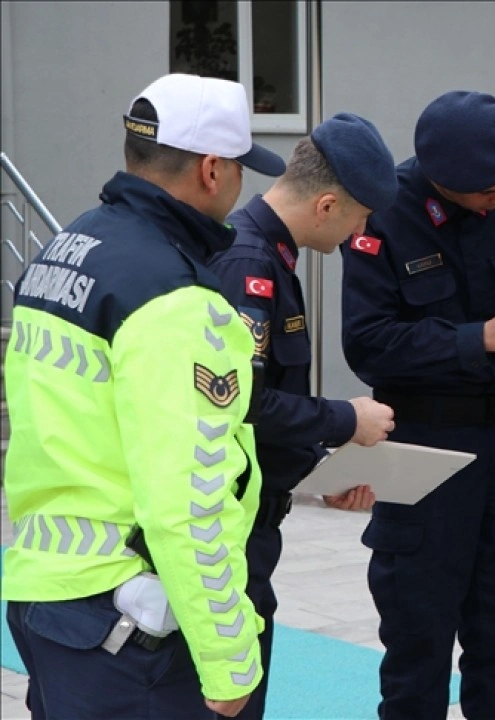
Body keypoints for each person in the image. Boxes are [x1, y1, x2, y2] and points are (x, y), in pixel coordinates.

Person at [2, 73, 285, 719]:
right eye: (241, 167)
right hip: (132, 623)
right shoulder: (177, 297)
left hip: (51, 599)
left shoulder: (65, 249)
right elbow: (187, 500)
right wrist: (230, 659)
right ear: (212, 169)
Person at [339, 90, 495, 720]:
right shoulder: (384, 211)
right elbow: (367, 344)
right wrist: (482, 338)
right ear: (442, 182)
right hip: (424, 445)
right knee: (418, 646)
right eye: (486, 193)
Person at [209, 112, 399, 720]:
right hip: (232, 529)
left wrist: (321, 470)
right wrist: (347, 420)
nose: (361, 232)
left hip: (257, 517)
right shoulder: (248, 265)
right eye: (361, 217)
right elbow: (238, 403)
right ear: (326, 206)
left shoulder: (269, 256)